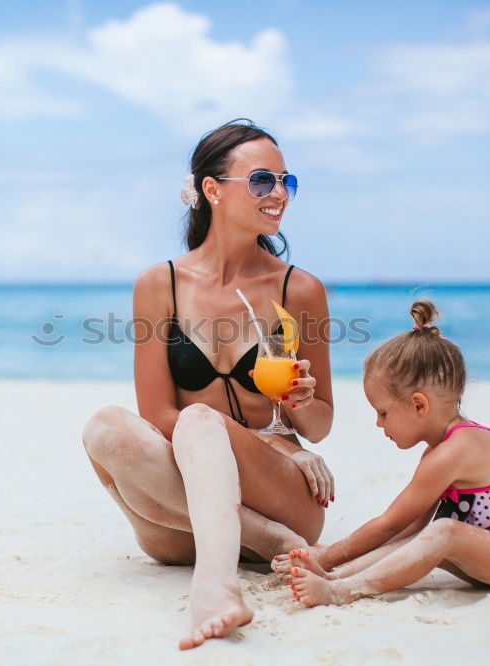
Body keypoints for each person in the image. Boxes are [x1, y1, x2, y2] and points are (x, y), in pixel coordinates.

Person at [81, 119, 336, 649]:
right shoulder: (161, 285)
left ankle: (216, 588)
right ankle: (265, 541)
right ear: (211, 190)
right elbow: (155, 414)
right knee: (105, 428)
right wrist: (259, 434)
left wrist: (298, 410)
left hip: (282, 494)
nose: (279, 195)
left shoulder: (300, 289)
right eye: (262, 180)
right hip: (180, 525)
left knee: (198, 419)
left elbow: (321, 423)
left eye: (287, 182)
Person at [277, 300, 490, 606]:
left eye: (383, 413)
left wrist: (327, 553)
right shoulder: (439, 451)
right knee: (424, 538)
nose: (378, 423)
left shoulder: (456, 451)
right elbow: (407, 529)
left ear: (419, 405)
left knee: (444, 532)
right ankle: (333, 580)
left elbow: (388, 523)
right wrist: (330, 566)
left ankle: (341, 591)